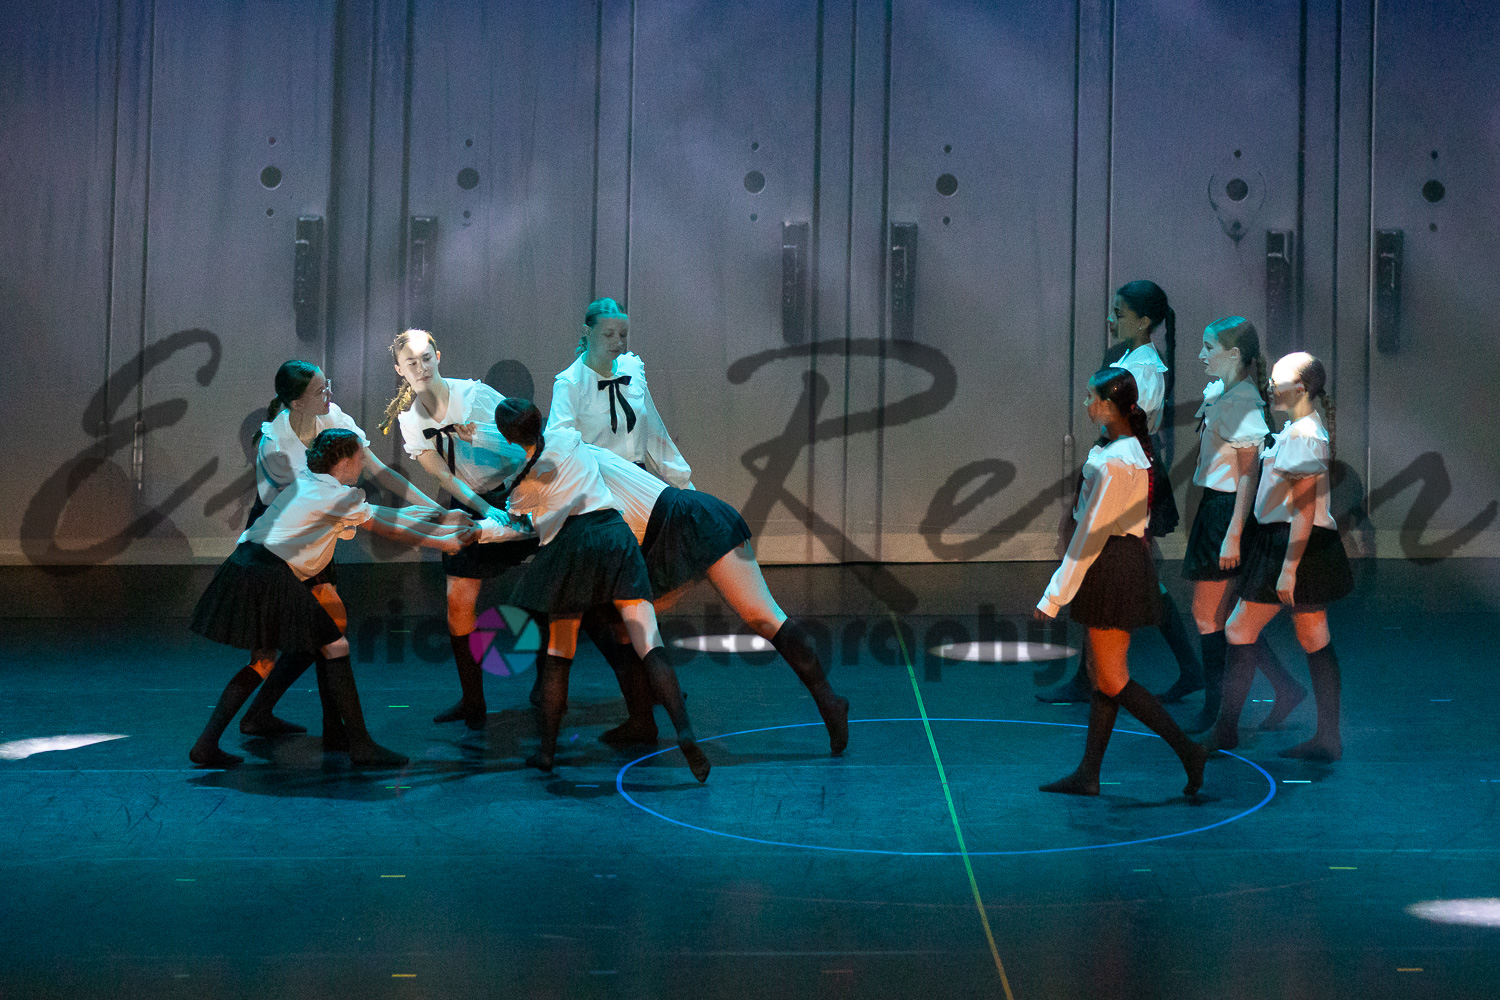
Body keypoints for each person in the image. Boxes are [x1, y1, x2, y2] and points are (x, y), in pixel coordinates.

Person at [499, 441, 850, 754]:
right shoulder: (570, 459)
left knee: (763, 616)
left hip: (691, 522)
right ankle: (641, 720)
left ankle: (829, 702)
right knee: (623, 627)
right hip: (658, 540)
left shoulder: (568, 467)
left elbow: (526, 525)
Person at [189, 429, 473, 768]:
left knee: (264, 661)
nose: (363, 464)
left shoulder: (311, 483)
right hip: (270, 576)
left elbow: (377, 514)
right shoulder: (334, 497)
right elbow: (388, 529)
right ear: (345, 461)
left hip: (245, 568)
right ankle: (360, 744)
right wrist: (445, 542)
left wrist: (440, 519)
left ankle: (208, 744)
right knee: (334, 645)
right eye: (360, 457)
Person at [483, 399, 711, 781]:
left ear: (508, 439)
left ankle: (547, 753)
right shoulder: (568, 439)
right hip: (615, 536)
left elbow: (520, 523)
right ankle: (685, 734)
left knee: (559, 654)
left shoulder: (522, 485)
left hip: (571, 550)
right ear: (539, 418)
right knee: (649, 644)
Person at [237, 360, 447, 743]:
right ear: (296, 403)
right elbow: (303, 506)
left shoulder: (332, 416)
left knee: (328, 631)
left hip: (314, 533)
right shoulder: (275, 443)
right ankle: (254, 720)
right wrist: (433, 527)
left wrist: (432, 508)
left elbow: (378, 471)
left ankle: (330, 727)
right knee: (270, 653)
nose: (329, 393)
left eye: (327, 384)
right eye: (320, 389)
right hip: (279, 542)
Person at [1034, 368, 1208, 797]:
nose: (1087, 405)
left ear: (1111, 408)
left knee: (1112, 679)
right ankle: (1089, 773)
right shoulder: (1120, 450)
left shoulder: (1118, 461)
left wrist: (1054, 596)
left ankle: (1189, 751)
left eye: (1092, 399)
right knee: (1102, 676)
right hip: (1113, 564)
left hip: (1114, 566)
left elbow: (1091, 534)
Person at [1037, 281, 1202, 704]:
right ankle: (1177, 668)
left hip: (1132, 470)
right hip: (1125, 463)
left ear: (1144, 321)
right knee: (1131, 570)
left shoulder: (1145, 370)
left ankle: (1107, 674)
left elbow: (1131, 425)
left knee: (1120, 566)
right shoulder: (1129, 359)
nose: (1112, 320)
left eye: (1120, 313)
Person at [1199, 352, 1352, 760]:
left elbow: (1304, 508)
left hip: (1294, 545)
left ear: (1300, 389)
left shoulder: (1305, 435)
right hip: (1290, 542)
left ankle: (1226, 730)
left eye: (1277, 380)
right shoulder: (1296, 430)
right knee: (1312, 635)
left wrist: (1289, 568)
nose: (1269, 385)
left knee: (1239, 629)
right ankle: (1328, 738)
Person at [382, 329, 536, 730]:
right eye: (411, 362)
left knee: (554, 585)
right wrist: (483, 509)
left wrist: (479, 434)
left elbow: (526, 444)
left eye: (426, 358)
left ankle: (549, 685)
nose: (420, 367)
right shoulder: (411, 421)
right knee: (458, 602)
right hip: (472, 500)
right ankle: (473, 699)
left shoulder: (474, 395)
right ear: (400, 370)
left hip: (521, 489)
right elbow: (444, 476)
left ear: (438, 356)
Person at [1181, 319, 1304, 734]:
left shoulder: (1243, 404)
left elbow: (1249, 475)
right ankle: (1283, 688)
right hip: (1217, 508)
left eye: (1208, 347)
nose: (1201, 355)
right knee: (1224, 616)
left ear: (1234, 354)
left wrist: (1233, 533)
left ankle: (1218, 710)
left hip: (1227, 511)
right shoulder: (1225, 393)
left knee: (1208, 615)